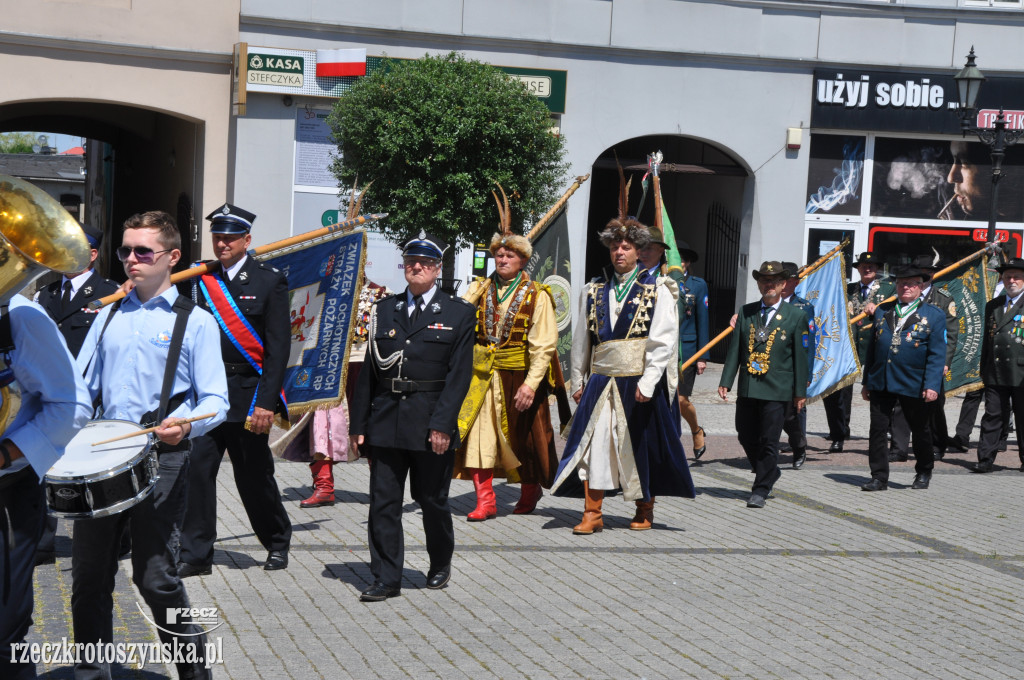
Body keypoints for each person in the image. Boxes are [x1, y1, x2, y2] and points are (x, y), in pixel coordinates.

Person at [73, 210, 229, 680]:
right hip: (104, 458)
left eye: (144, 251)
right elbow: (82, 390)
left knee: (156, 577)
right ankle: (91, 673)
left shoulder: (197, 321)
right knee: (89, 577)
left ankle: (193, 670)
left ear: (173, 257)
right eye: (125, 251)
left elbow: (216, 400)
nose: (132, 260)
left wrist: (184, 425)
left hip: (164, 458)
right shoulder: (106, 314)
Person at [348, 232, 475, 602]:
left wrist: (442, 425)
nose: (415, 268)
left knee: (431, 499)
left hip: (429, 422)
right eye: (410, 262)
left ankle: (439, 562)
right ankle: (386, 577)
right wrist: (359, 425)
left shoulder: (458, 313)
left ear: (437, 269)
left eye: (423, 263)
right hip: (386, 420)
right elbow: (369, 372)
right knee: (383, 502)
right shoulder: (384, 310)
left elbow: (458, 377)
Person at [551, 217, 694, 533]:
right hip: (601, 380)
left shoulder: (658, 288)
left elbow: (663, 339)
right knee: (595, 444)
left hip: (639, 380)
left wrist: (649, 380)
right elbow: (582, 340)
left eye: (626, 247)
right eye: (615, 246)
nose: (619, 252)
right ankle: (593, 512)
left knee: (642, 444)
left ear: (638, 251)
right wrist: (578, 380)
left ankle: (645, 507)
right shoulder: (594, 289)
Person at [178, 204, 292, 576]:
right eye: (218, 236)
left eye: (230, 237)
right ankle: (196, 554)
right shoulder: (197, 278)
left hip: (247, 391)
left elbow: (277, 351)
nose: (222, 243)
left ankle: (276, 540)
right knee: (197, 470)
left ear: (247, 239)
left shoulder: (268, 279)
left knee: (253, 474)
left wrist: (266, 403)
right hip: (207, 393)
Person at [455, 188, 565, 519]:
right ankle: (485, 499)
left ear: (522, 261)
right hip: (482, 376)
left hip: (519, 374)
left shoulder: (537, 295)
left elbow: (544, 343)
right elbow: (460, 323)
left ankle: (529, 491)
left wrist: (532, 384)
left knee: (528, 439)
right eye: (499, 256)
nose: (503, 260)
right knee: (477, 435)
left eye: (510, 256)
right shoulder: (480, 288)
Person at [0, 296, 92, 680]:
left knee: (3, 629)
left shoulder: (19, 314)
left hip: (5, 489)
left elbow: (72, 405)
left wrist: (4, 455)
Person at [33, 223, 119, 565]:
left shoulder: (109, 292)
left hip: (88, 397)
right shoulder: (45, 294)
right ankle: (42, 543)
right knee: (44, 467)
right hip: (48, 394)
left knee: (93, 469)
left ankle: (114, 536)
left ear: (92, 254)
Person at [719, 261, 809, 507]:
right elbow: (736, 348)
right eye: (764, 281)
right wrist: (726, 380)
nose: (768, 285)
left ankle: (760, 488)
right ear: (758, 284)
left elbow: (802, 358)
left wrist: (800, 392)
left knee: (769, 440)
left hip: (778, 388)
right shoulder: (747, 311)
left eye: (774, 281)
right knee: (745, 434)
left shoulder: (796, 315)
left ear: (782, 285)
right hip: (749, 385)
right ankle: (769, 471)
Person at [860, 264, 946, 491]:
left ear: (920, 286)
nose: (905, 287)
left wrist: (932, 385)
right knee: (877, 430)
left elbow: (937, 354)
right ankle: (879, 477)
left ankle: (924, 470)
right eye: (901, 283)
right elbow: (872, 348)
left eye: (910, 283)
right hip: (882, 380)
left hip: (914, 381)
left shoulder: (933, 315)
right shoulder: (883, 310)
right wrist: (867, 380)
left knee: (920, 429)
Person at [638, 233, 710, 460]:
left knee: (679, 399)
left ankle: (696, 430)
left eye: (684, 259)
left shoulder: (697, 286)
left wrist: (703, 355)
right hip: (657, 349)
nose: (680, 263)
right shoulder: (650, 280)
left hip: (686, 351)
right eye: (675, 259)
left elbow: (702, 320)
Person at [822, 251, 894, 453]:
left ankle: (887, 427)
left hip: (877, 344)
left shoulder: (888, 289)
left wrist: (879, 309)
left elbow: (897, 313)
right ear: (858, 269)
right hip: (849, 345)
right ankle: (840, 430)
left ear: (877, 269)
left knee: (880, 387)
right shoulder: (848, 289)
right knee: (841, 390)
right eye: (863, 266)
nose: (867, 269)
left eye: (871, 266)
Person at [889, 254, 958, 462]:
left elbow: (951, 334)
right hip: (908, 361)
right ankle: (899, 448)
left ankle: (937, 443)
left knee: (933, 404)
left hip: (933, 362)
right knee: (900, 405)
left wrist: (945, 362)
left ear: (932, 274)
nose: (925, 276)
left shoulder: (943, 299)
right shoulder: (901, 296)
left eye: (928, 273)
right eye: (922, 273)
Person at [971, 258, 1024, 473]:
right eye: (1007, 276)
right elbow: (986, 340)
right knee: (992, 415)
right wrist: (983, 368)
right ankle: (985, 458)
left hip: (1021, 371)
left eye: (1017, 277)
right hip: (995, 370)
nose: (1011, 280)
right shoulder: (993, 305)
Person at [780, 261, 816, 469]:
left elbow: (808, 344)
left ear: (795, 282)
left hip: (794, 369)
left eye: (787, 280)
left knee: (793, 414)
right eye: (780, 280)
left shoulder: (803, 308)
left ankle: (799, 447)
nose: (782, 284)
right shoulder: (763, 305)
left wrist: (806, 373)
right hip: (771, 367)